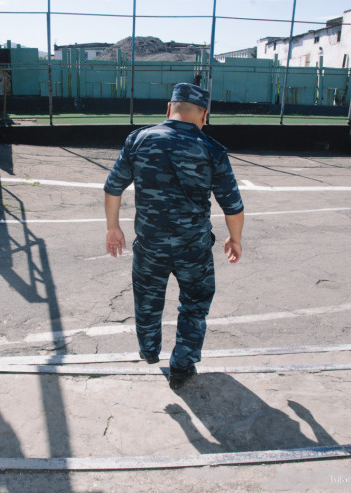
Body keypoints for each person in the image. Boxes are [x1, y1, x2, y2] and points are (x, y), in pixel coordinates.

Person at [103, 83, 245, 390]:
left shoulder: (139, 139)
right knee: (194, 304)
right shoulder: (212, 149)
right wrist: (235, 239)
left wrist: (113, 227)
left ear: (169, 108)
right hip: (193, 248)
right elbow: (233, 206)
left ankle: (149, 350)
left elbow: (113, 187)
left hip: (150, 245)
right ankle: (181, 366)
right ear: (204, 115)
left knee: (147, 300)